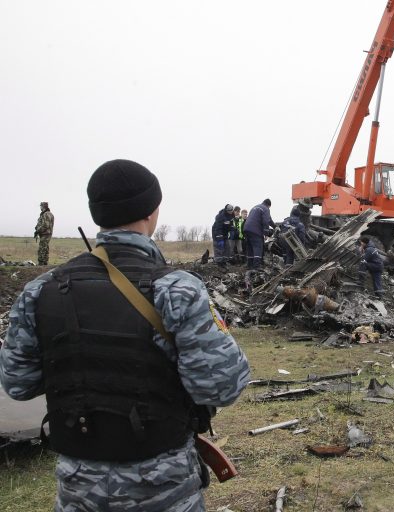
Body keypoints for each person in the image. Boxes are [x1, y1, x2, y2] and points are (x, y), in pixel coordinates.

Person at [0, 159, 251, 511]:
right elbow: (222, 387)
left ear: (97, 213)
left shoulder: (41, 290)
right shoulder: (176, 289)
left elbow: (17, 382)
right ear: (153, 211)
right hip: (163, 489)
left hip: (77, 489)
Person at [243, 199, 275, 269]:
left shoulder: (255, 207)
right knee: (258, 247)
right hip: (255, 230)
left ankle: (250, 266)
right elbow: (266, 221)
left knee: (250, 248)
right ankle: (256, 266)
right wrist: (266, 233)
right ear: (269, 205)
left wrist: (275, 226)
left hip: (246, 229)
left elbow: (269, 220)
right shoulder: (266, 209)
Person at [34, 201, 55, 265]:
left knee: (42, 248)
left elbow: (46, 225)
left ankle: (41, 263)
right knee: (45, 248)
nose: (40, 207)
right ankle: (45, 262)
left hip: (45, 234)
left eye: (41, 206)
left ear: (43, 206)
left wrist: (38, 230)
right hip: (46, 233)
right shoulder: (48, 214)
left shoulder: (46, 214)